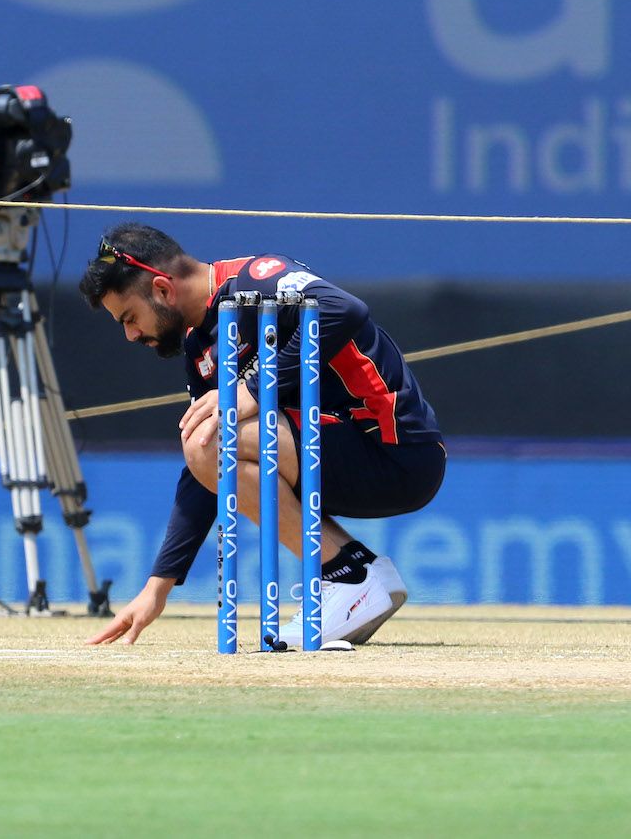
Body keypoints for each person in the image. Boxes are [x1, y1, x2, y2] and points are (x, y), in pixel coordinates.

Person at [78, 223, 445, 646]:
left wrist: (253, 388)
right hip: (341, 454)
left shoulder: (257, 280)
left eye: (129, 318)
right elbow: (206, 465)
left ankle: (348, 578)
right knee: (206, 443)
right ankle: (353, 571)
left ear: (162, 290)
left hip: (396, 450)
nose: (130, 334)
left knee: (212, 439)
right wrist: (156, 588)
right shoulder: (201, 351)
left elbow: (344, 309)